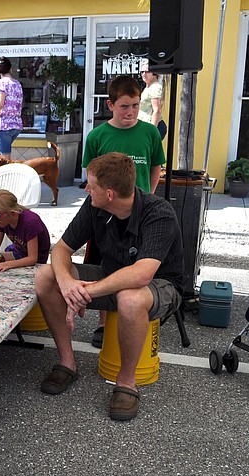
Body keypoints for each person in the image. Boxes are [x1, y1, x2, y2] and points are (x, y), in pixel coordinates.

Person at [34, 153, 184, 421]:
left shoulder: (159, 212)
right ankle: (67, 363)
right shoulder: (95, 206)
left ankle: (126, 383)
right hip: (110, 276)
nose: (86, 189)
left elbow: (141, 275)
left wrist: (83, 294)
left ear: (110, 194)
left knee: (130, 298)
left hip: (159, 286)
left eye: (91, 185)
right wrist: (67, 284)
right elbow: (61, 250)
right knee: (46, 276)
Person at [82, 74, 166, 348]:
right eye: (124, 106)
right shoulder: (97, 136)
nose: (130, 112)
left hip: (138, 214)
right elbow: (90, 174)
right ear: (110, 105)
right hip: (105, 215)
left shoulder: (150, 132)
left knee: (133, 269)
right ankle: (103, 323)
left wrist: (149, 195)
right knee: (106, 265)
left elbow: (155, 166)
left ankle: (130, 318)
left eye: (134, 105)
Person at [0, 189, 50, 271]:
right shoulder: (4, 220)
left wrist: (8, 264)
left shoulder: (30, 222)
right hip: (18, 252)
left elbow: (32, 259)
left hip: (37, 261)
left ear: (13, 213)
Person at [0, 56, 24, 158]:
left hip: (3, 125)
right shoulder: (17, 84)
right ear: (11, 69)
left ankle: (6, 174)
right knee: (2, 153)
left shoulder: (1, 83)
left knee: (4, 159)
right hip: (16, 124)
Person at [138, 61, 166, 140]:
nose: (144, 74)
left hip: (152, 126)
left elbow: (157, 110)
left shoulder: (155, 87)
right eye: (142, 72)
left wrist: (152, 130)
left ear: (154, 73)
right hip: (144, 126)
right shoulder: (148, 87)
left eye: (147, 71)